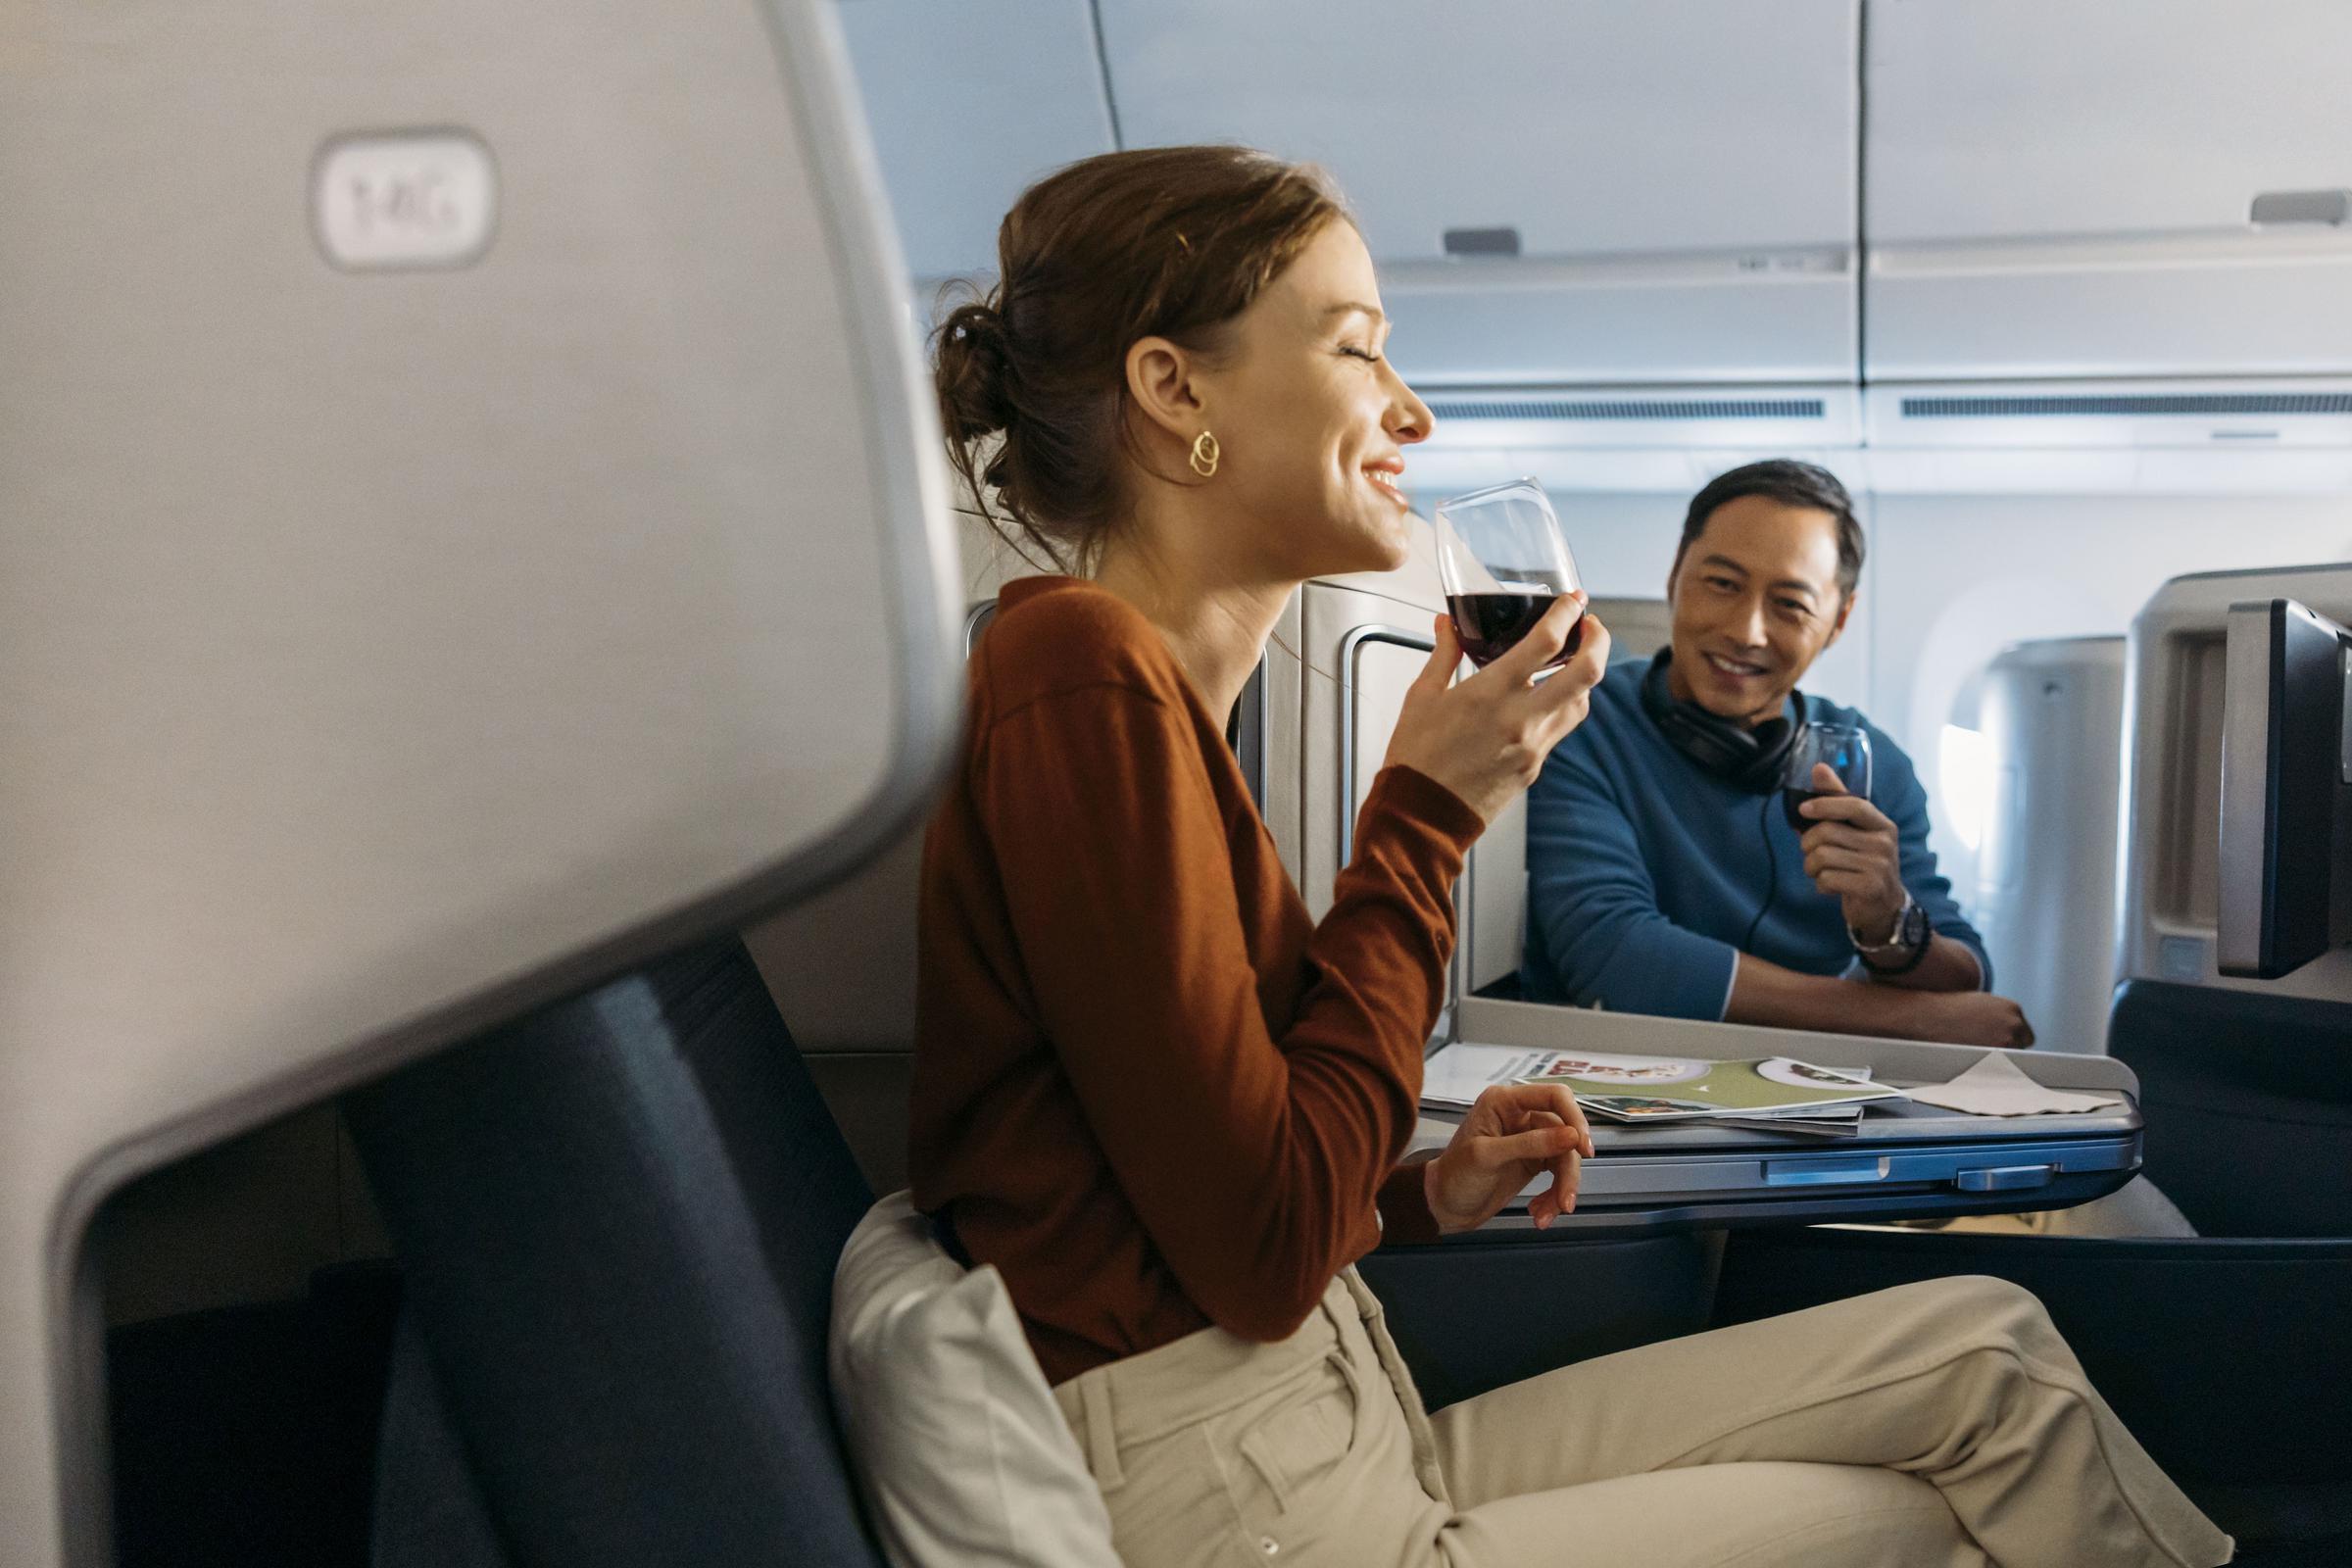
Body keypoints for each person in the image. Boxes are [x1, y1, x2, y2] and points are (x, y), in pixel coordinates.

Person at [908, 145, 2229, 1568]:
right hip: (1240, 1498)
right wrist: (1425, 819)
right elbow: (1263, 1244)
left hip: (1330, 1416)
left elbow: (1233, 1176)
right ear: (1176, 391)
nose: (1409, 409)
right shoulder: (1082, 669)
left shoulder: (1156, 706)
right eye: (1358, 348)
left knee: (1993, 1349)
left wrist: (1429, 1192)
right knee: (1952, 1524)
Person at [1519, 460, 2036, 1050]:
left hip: (1808, 1088)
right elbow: (1615, 956)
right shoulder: (1576, 718)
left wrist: (1888, 917)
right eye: (1722, 584)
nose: (1747, 631)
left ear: (1838, 621)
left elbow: (1967, 974)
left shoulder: (1869, 762)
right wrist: (1907, 1022)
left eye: (1790, 603)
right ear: (1674, 577)